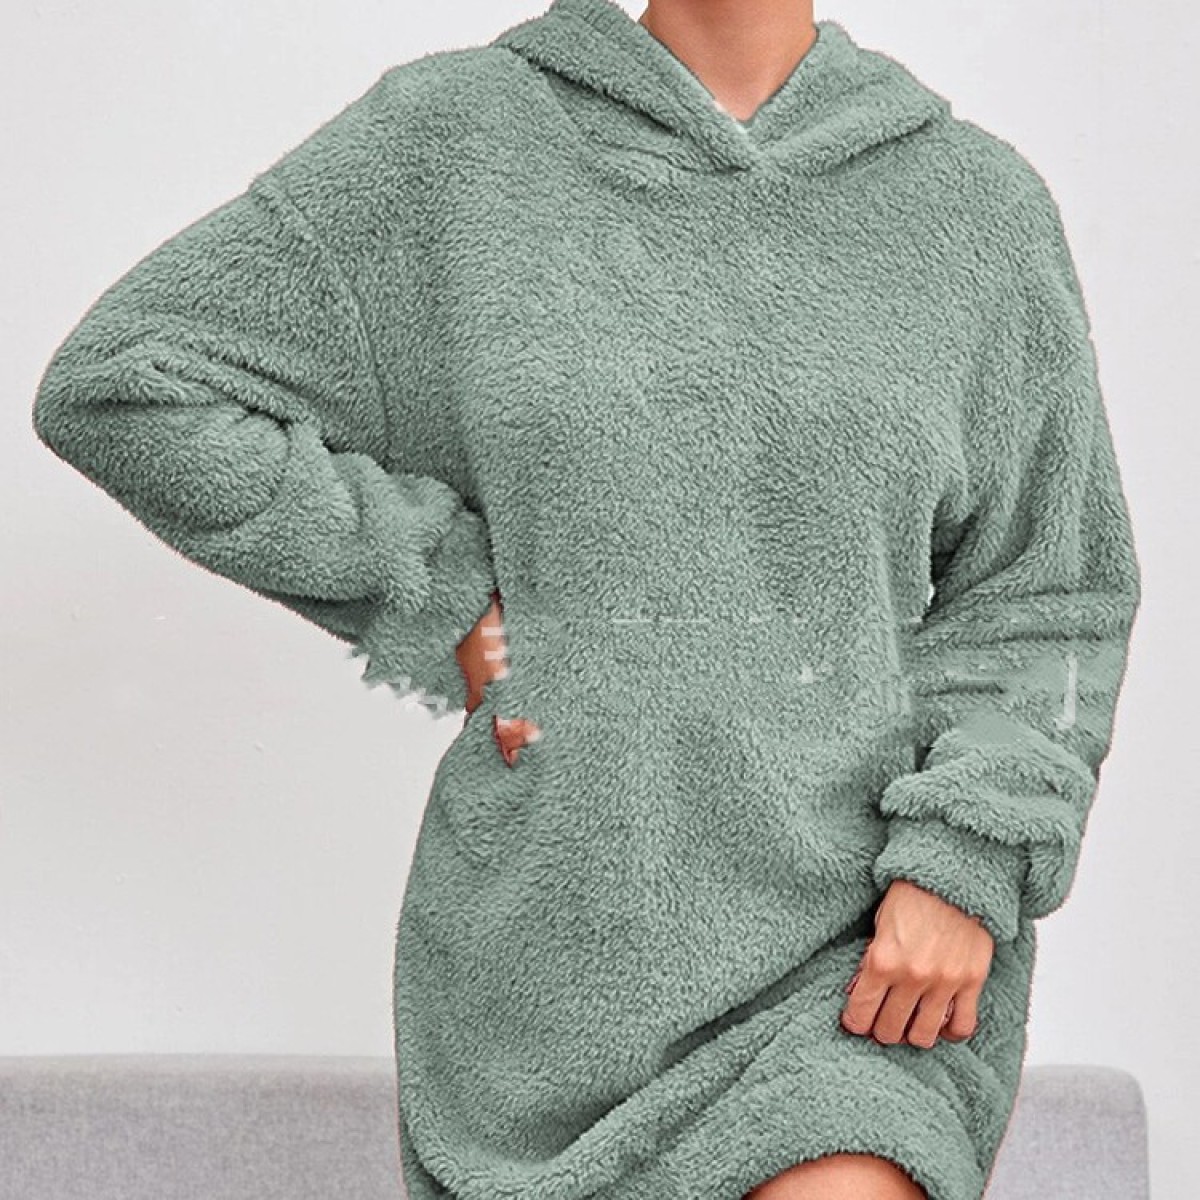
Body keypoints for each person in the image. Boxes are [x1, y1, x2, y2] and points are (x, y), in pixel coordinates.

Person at [31, 0, 1143, 1197]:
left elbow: (1051, 591)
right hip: (549, 976)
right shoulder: (458, 143)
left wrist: (965, 860)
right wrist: (442, 596)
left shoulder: (974, 210)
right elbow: (129, 381)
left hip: (858, 951)